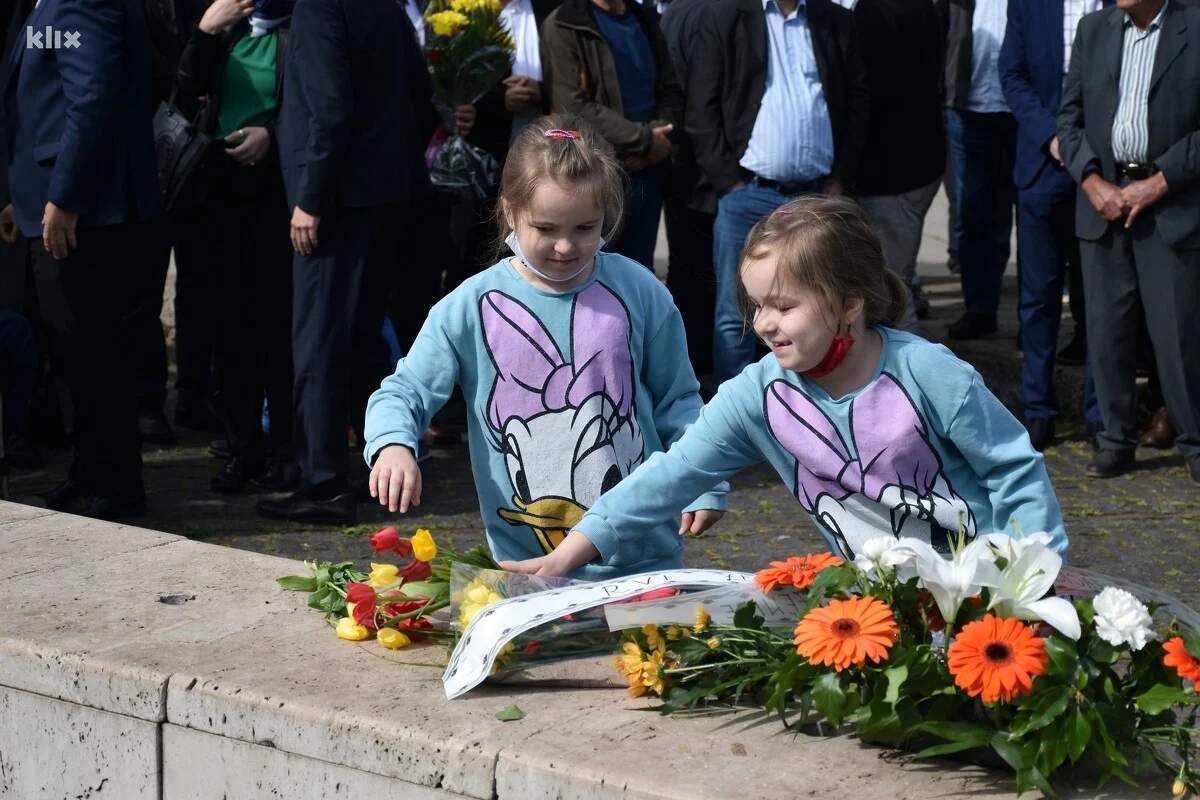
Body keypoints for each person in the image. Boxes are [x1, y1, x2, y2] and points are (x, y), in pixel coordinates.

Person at [501, 196, 1066, 577]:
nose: (764, 324)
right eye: (756, 306)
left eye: (784, 306)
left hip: (982, 590)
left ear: (849, 303)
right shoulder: (757, 395)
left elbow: (1014, 471)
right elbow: (668, 476)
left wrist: (1031, 581)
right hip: (881, 606)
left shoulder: (930, 373)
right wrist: (568, 554)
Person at [364, 117, 727, 580]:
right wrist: (393, 444)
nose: (565, 245)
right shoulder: (468, 306)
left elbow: (679, 401)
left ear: (606, 214)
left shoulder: (640, 291)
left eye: (585, 227)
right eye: (546, 227)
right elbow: (405, 391)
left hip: (644, 560)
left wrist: (702, 478)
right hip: (531, 571)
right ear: (509, 212)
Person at [256, 0, 436, 523]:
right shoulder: (385, 7)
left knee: (319, 341)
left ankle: (323, 481)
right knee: (361, 339)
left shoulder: (320, 8)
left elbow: (328, 107)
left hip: (336, 203)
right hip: (388, 197)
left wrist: (310, 198)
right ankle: (383, 461)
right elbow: (422, 97)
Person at [2, 0, 161, 518]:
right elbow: (45, 93)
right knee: (76, 355)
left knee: (94, 356)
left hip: (85, 215)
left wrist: (64, 196)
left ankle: (112, 487)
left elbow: (90, 99)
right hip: (56, 202)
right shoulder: (49, 6)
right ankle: (91, 474)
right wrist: (23, 196)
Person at [684, 0, 869, 384]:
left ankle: (813, 402)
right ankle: (739, 409)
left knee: (820, 307)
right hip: (748, 195)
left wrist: (840, 179)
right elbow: (702, 106)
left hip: (818, 197)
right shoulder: (727, 16)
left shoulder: (834, 19)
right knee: (735, 314)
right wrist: (729, 184)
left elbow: (857, 102)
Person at [1057, 0, 1200, 483]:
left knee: (1178, 334)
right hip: (1103, 204)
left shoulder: (1194, 26)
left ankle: (1195, 442)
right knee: (1107, 332)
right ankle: (1115, 440)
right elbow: (1069, 119)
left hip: (1171, 202)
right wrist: (1091, 181)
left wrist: (1161, 182)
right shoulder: (1093, 29)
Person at [175, 0, 298, 493]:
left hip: (278, 199)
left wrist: (273, 136)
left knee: (278, 331)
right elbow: (182, 97)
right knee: (230, 331)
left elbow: (321, 107)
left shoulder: (302, 28)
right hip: (219, 196)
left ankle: (286, 452)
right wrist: (205, 32)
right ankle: (243, 448)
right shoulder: (226, 28)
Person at [998, 0, 1103, 451]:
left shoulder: (1120, 6)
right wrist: (1052, 136)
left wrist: (1087, 146)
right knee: (1038, 297)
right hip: (1042, 165)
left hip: (1102, 167)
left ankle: (1102, 416)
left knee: (1100, 298)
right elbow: (1012, 75)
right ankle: (1039, 410)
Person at [540, 0, 683, 268]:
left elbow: (670, 88)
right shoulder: (564, 22)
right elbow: (573, 106)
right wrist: (644, 140)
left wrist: (659, 139)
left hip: (648, 172)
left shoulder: (645, 18)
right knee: (592, 273)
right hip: (597, 176)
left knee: (637, 274)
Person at [852, 0, 944, 331]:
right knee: (889, 284)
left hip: (892, 172)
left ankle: (906, 363)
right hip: (915, 164)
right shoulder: (920, 7)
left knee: (890, 292)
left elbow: (871, 91)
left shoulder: (875, 11)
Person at [938, 0, 1017, 340]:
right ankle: (979, 310)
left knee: (1031, 218)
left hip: (1023, 110)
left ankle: (1033, 322)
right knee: (971, 215)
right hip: (966, 110)